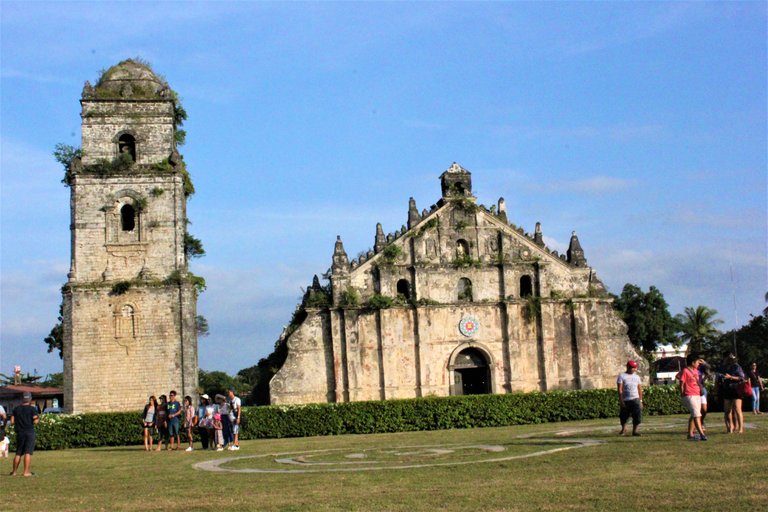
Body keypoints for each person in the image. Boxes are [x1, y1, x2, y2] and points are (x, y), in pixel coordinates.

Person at [676, 355, 707, 441]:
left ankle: (690, 434)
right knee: (697, 415)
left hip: (697, 394)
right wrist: (682, 393)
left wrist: (702, 361)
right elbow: (681, 383)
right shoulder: (685, 371)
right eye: (697, 362)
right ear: (692, 363)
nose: (698, 364)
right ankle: (702, 434)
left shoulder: (696, 371)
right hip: (689, 395)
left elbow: (707, 368)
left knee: (695, 415)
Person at [10, 392, 40, 476]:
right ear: (30, 399)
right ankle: (26, 472)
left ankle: (14, 472)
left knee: (18, 452)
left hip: (20, 432)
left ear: (22, 399)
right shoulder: (32, 409)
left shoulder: (16, 409)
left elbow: (12, 422)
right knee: (27, 452)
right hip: (29, 432)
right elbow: (36, 421)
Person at [719, 351, 745, 433]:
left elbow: (741, 378)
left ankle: (740, 429)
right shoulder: (722, 367)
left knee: (737, 409)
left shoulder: (736, 367)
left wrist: (731, 377)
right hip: (727, 390)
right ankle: (730, 427)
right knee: (727, 411)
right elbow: (718, 377)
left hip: (736, 390)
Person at [617, 360, 643, 437]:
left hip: (635, 399)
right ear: (628, 367)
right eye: (632, 368)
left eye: (635, 368)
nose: (634, 369)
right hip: (626, 399)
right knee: (624, 416)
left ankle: (635, 431)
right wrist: (621, 400)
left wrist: (641, 400)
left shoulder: (637, 377)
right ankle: (624, 429)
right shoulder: (622, 376)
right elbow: (620, 389)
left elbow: (639, 389)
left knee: (637, 416)